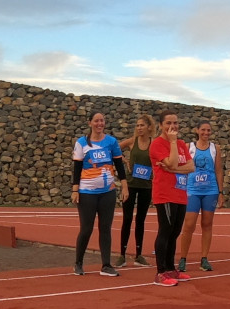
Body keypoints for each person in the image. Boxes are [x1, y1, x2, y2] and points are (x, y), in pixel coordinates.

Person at [72, 111, 129, 276]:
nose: (99, 123)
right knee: (86, 228)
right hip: (86, 192)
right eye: (96, 121)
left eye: (102, 120)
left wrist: (124, 186)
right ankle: (78, 262)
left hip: (107, 192)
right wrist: (75, 190)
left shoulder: (111, 142)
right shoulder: (81, 143)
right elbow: (77, 168)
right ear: (90, 123)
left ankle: (106, 265)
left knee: (105, 228)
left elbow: (119, 165)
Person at [149, 111, 194, 286]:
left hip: (180, 193)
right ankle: (160, 273)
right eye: (168, 123)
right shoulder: (157, 144)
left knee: (175, 232)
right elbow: (175, 162)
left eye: (175, 123)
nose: (172, 127)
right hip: (164, 194)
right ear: (161, 125)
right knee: (165, 231)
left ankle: (170, 268)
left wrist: (173, 170)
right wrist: (173, 143)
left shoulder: (183, 144)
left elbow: (190, 167)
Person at [178, 120, 224, 272]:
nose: (206, 133)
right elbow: (181, 167)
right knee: (189, 225)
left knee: (207, 224)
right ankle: (183, 258)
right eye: (203, 130)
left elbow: (218, 170)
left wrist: (220, 192)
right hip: (192, 190)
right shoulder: (188, 147)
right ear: (197, 130)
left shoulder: (215, 148)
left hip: (210, 190)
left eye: (208, 130)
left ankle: (204, 259)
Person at [116, 114, 155, 267]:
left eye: (142, 125)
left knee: (140, 220)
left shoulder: (154, 143)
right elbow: (114, 148)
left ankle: (139, 255)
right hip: (131, 185)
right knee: (127, 219)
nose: (139, 128)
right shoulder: (132, 142)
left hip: (146, 186)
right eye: (137, 125)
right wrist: (124, 160)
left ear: (149, 127)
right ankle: (122, 255)